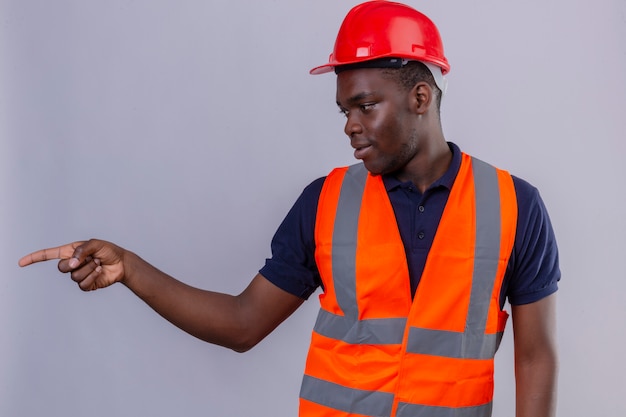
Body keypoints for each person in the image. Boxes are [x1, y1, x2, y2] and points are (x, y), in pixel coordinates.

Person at [18, 1, 559, 416]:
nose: (349, 124)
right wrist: (131, 269)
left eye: (365, 105)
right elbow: (241, 324)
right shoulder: (325, 202)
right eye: (344, 109)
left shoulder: (514, 206)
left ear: (420, 97)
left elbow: (535, 356)